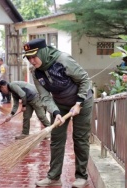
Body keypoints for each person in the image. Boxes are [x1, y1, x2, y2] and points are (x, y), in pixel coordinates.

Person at [24, 38, 94, 188]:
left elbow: (84, 80)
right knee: (56, 140)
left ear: (42, 52)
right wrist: (55, 112)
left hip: (81, 100)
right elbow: (44, 96)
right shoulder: (36, 72)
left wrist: (78, 103)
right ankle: (54, 178)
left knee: (80, 138)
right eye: (28, 58)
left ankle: (81, 177)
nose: (32, 61)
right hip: (59, 104)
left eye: (34, 56)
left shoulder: (62, 60)